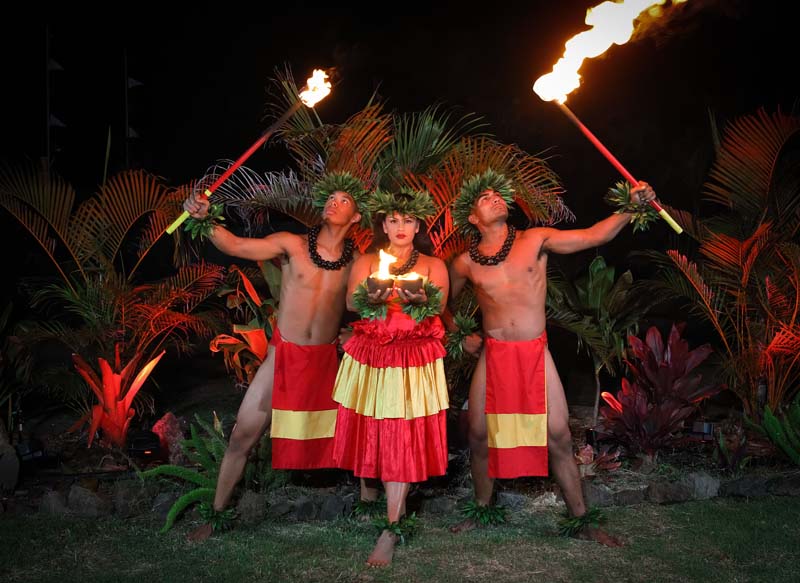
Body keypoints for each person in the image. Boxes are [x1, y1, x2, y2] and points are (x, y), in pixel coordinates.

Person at [446, 168, 657, 546]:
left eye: (498, 193)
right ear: (473, 218)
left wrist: (631, 207)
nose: (495, 198)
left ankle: (583, 521)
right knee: (478, 434)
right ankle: (482, 510)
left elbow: (593, 236)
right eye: (484, 198)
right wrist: (460, 335)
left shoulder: (535, 239)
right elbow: (440, 299)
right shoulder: (465, 262)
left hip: (534, 353)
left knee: (559, 436)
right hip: (494, 355)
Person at [181, 171, 371, 541]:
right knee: (243, 434)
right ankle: (216, 515)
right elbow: (237, 246)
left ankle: (369, 507)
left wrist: (355, 332)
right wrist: (207, 220)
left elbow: (365, 305)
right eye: (329, 198)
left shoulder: (358, 262)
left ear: (357, 217)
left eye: (343, 200)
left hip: (326, 360)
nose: (334, 203)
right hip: (284, 356)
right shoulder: (292, 244)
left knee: (355, 429)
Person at [331, 189, 450, 566]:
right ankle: (373, 499)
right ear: (383, 224)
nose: (401, 227)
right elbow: (351, 302)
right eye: (394, 220)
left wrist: (411, 291)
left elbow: (439, 305)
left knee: (399, 429)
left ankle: (391, 527)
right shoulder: (367, 260)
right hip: (373, 353)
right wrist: (381, 284)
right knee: (374, 429)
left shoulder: (433, 264)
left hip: (413, 356)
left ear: (418, 226)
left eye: (408, 220)